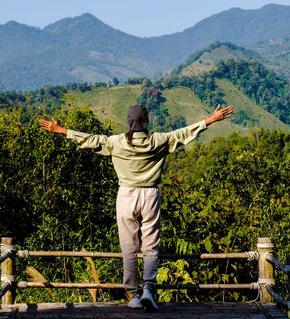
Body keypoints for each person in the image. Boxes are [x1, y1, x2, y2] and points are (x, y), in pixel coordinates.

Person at [39, 104, 233, 311]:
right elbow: (184, 133)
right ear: (146, 121)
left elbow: (91, 140)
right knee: (150, 248)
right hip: (150, 195)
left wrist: (61, 130)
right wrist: (211, 120)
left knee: (129, 248)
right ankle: (149, 288)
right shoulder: (158, 140)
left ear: (128, 122)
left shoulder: (117, 142)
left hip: (126, 196)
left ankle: (133, 295)